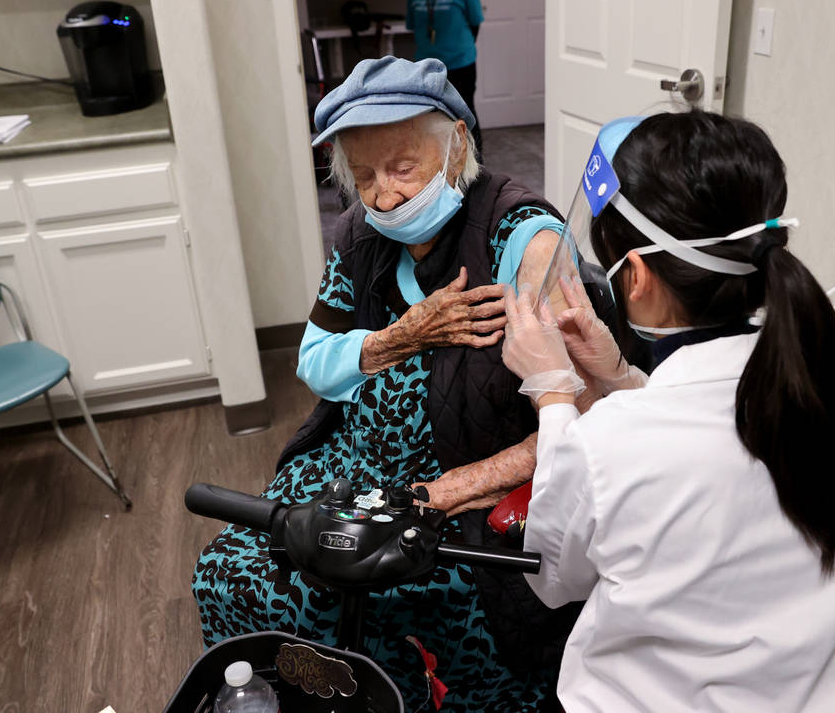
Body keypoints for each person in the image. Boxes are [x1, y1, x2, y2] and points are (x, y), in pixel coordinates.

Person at [192, 56, 577, 711]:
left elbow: (578, 416)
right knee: (233, 570)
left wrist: (434, 496)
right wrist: (404, 335)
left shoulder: (522, 238)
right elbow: (314, 361)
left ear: (456, 146)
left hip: (467, 482)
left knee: (362, 595)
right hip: (353, 463)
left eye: (403, 167)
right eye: (363, 175)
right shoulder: (359, 234)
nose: (384, 196)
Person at [500, 111, 835, 712]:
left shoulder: (609, 444)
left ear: (633, 276)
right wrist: (622, 377)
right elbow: (701, 446)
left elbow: (553, 577)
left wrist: (553, 392)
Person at [406, 0, 484, 156]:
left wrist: (458, 47)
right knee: (432, 116)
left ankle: (475, 162)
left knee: (465, 113)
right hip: (426, 66)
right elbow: (414, 25)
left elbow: (475, 22)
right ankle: (439, 161)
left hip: (460, 62)